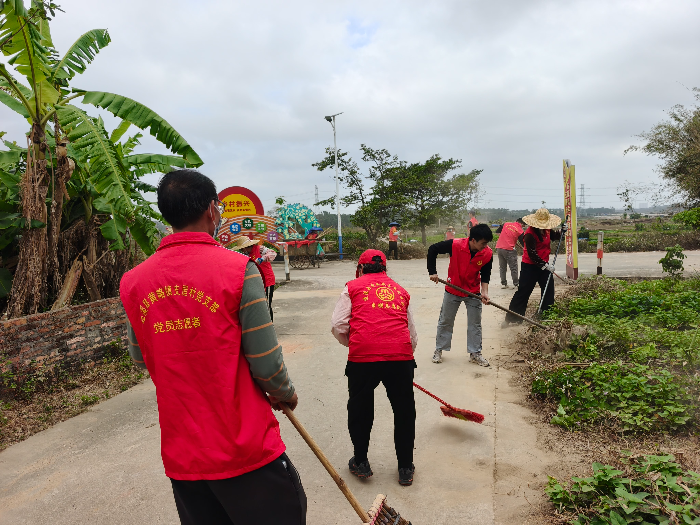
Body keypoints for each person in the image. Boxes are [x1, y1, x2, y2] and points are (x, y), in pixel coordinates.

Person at [120, 169, 306, 525]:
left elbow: (139, 356)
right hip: (245, 449)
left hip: (184, 456)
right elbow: (266, 363)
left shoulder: (134, 282)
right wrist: (285, 393)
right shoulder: (239, 270)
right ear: (211, 210)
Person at [330, 250, 418, 486]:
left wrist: (357, 342)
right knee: (404, 411)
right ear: (385, 269)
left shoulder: (351, 287)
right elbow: (411, 333)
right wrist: (402, 357)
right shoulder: (400, 290)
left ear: (360, 268)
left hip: (363, 358)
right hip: (400, 357)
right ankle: (405, 467)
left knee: (360, 409)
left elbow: (338, 325)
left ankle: (361, 462)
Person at [427, 223, 493, 366]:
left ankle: (475, 353)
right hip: (453, 289)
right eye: (483, 243)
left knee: (475, 324)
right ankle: (439, 349)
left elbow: (485, 274)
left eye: (487, 243)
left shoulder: (487, 253)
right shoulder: (455, 245)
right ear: (473, 240)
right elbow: (433, 249)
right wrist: (432, 272)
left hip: (473, 292)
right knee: (446, 321)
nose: (485, 246)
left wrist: (484, 293)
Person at [504, 208, 565, 326]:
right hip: (530, 266)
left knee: (548, 290)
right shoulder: (529, 235)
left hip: (544, 266)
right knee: (523, 291)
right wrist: (544, 265)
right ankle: (512, 318)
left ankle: (546, 315)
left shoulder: (547, 230)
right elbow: (532, 254)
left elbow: (554, 236)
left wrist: (562, 231)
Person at [233, 236, 277, 321]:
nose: (241, 250)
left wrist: (263, 258)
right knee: (259, 304)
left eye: (242, 249)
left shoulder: (260, 249)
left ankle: (269, 324)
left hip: (267, 280)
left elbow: (273, 253)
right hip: (256, 281)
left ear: (245, 247)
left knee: (267, 304)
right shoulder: (246, 254)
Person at [495, 218, 525, 289]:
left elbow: (497, 232)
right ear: (521, 223)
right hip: (509, 249)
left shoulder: (506, 224)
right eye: (523, 225)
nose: (523, 227)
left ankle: (504, 283)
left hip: (499, 248)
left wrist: (506, 237)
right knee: (513, 267)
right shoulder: (520, 230)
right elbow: (523, 243)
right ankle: (516, 283)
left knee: (502, 267)